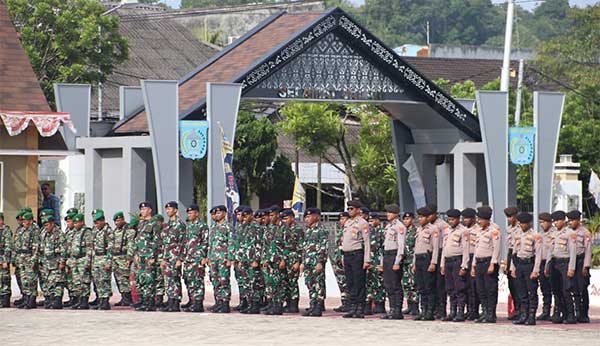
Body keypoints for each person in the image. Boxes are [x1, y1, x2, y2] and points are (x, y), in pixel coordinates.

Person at [510, 212, 542, 325]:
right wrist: (512, 268)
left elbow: (538, 255)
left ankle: (531, 315)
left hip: (530, 265)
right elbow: (514, 251)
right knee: (521, 291)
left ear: (529, 223)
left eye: (524, 223)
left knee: (532, 291)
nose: (522, 225)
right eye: (520, 223)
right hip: (519, 264)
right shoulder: (517, 235)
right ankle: (524, 315)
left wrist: (536, 270)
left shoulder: (535, 235)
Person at [544, 210, 575, 324]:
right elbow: (550, 251)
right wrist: (547, 264)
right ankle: (561, 313)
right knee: (556, 290)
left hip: (565, 263)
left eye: (557, 220)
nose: (555, 223)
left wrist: (571, 268)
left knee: (566, 290)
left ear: (563, 221)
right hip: (555, 263)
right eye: (554, 221)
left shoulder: (569, 233)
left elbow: (573, 252)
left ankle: (571, 315)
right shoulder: (554, 234)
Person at [471, 206, 500, 323]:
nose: (479, 221)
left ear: (487, 219)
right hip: (479, 262)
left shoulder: (494, 230)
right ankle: (485, 312)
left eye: (481, 219)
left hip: (488, 262)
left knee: (490, 289)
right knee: (480, 289)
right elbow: (476, 248)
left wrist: (493, 263)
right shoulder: (479, 231)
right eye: (478, 219)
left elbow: (496, 249)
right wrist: (473, 265)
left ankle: (491, 314)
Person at [341, 200, 371, 319]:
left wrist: (367, 260)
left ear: (358, 210)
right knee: (350, 283)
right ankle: (352, 307)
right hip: (347, 255)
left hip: (357, 255)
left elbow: (367, 242)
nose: (349, 211)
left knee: (359, 282)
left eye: (351, 209)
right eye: (348, 209)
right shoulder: (348, 223)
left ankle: (360, 308)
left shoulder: (363, 223)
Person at [439, 209, 470, 322]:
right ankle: (452, 311)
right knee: (449, 288)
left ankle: (460, 312)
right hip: (448, 261)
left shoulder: (463, 231)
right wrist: (442, 263)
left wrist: (464, 266)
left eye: (453, 219)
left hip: (458, 261)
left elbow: (466, 250)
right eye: (449, 219)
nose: (451, 221)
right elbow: (444, 248)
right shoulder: (447, 231)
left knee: (459, 288)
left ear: (458, 219)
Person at [411, 206, 439, 321]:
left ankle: (430, 312)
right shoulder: (419, 229)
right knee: (421, 287)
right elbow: (416, 248)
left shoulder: (433, 229)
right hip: (418, 259)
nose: (420, 219)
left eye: (422, 217)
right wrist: (413, 263)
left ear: (428, 217)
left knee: (429, 287)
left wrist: (433, 262)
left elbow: (436, 248)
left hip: (427, 258)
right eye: (419, 217)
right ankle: (423, 310)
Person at [379, 204, 406, 320]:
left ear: (395, 214)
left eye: (390, 212)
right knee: (388, 284)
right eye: (387, 212)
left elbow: (401, 245)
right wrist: (381, 261)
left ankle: (397, 310)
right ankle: (392, 309)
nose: (387, 214)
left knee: (395, 284)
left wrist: (397, 261)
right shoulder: (388, 226)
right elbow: (384, 245)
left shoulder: (399, 226)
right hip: (387, 255)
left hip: (394, 255)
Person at [300, 208, 328, 317]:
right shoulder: (308, 230)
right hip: (308, 262)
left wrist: (320, 262)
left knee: (318, 284)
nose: (307, 219)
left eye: (309, 216)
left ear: (316, 217)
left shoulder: (321, 230)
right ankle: (312, 306)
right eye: (306, 217)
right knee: (310, 284)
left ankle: (318, 307)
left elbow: (324, 247)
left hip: (317, 261)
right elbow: (304, 248)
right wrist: (303, 262)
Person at [182, 204, 209, 313]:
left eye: (191, 212)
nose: (189, 215)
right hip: (188, 258)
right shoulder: (188, 226)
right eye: (188, 213)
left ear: (197, 213)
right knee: (188, 279)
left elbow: (205, 242)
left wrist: (203, 256)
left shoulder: (202, 226)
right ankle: (192, 300)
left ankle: (198, 303)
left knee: (197, 280)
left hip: (197, 258)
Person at [134, 202, 160, 311]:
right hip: (141, 255)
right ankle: (144, 300)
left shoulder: (154, 223)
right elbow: (137, 240)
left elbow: (157, 241)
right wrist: (136, 254)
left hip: (149, 255)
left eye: (144, 209)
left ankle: (150, 302)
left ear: (149, 210)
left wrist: (153, 256)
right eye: (141, 210)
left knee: (149, 279)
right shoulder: (141, 224)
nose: (142, 211)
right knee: (142, 278)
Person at [208, 205, 234, 313]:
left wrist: (230, 258)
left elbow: (231, 242)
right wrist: (209, 257)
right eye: (215, 213)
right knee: (215, 280)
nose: (217, 215)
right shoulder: (213, 227)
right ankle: (218, 302)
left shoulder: (228, 227)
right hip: (214, 258)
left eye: (219, 213)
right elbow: (211, 244)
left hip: (223, 258)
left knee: (224, 281)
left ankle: (225, 303)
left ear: (224, 213)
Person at [567, 210, 592, 323]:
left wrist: (586, 266)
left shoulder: (585, 233)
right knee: (574, 288)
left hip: (581, 261)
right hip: (572, 262)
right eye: (569, 220)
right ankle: (576, 311)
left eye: (572, 220)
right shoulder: (567, 232)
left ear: (578, 220)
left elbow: (588, 250)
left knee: (582, 288)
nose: (570, 222)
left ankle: (584, 313)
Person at [160, 202, 186, 312]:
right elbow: (164, 242)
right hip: (167, 256)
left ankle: (175, 302)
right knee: (168, 280)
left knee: (175, 279)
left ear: (175, 210)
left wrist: (180, 259)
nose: (168, 211)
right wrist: (163, 257)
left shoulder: (179, 224)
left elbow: (183, 242)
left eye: (170, 209)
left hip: (175, 256)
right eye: (166, 209)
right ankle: (170, 300)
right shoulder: (167, 225)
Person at [39, 215, 66, 309]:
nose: (46, 227)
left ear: (52, 224)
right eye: (45, 225)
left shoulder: (59, 234)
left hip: (56, 261)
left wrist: (62, 262)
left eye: (47, 225)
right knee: (47, 281)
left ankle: (57, 300)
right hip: (46, 261)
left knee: (57, 281)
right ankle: (49, 299)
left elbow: (63, 250)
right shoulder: (43, 233)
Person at [426, 204, 449, 319]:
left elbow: (445, 242)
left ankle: (442, 310)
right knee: (431, 284)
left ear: (435, 214)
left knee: (440, 285)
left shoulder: (443, 225)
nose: (428, 217)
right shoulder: (427, 226)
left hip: (440, 253)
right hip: (429, 254)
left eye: (430, 214)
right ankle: (433, 308)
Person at [66, 213, 93, 310]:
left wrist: (88, 261)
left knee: (84, 280)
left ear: (82, 222)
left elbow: (90, 248)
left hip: (83, 259)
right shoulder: (75, 232)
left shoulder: (87, 232)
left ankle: (84, 301)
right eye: (75, 223)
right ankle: (78, 300)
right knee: (76, 281)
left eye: (77, 223)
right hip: (74, 259)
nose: (75, 224)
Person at [14, 212, 39, 309]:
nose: (23, 222)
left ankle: (31, 300)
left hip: (29, 257)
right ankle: (26, 299)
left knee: (31, 280)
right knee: (24, 280)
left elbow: (36, 247)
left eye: (25, 220)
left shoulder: (34, 230)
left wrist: (33, 259)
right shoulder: (22, 230)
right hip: (22, 258)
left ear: (30, 221)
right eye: (23, 220)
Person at [281, 208, 303, 313]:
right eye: (283, 219)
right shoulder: (284, 229)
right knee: (285, 282)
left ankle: (294, 304)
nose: (284, 221)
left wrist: (298, 261)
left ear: (292, 218)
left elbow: (301, 246)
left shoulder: (297, 230)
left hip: (294, 259)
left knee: (293, 282)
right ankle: (288, 302)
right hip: (285, 259)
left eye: (286, 218)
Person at [91, 210, 114, 310]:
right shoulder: (95, 230)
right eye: (95, 222)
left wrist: (108, 262)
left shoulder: (108, 231)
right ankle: (100, 299)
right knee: (97, 280)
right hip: (96, 258)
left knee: (104, 280)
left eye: (98, 222)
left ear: (103, 220)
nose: (96, 224)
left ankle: (105, 301)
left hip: (104, 257)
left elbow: (111, 248)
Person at [112, 211, 135, 307]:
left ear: (122, 219)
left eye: (118, 220)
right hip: (115, 257)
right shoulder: (115, 231)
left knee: (124, 279)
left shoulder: (129, 230)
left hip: (124, 257)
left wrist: (129, 259)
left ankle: (128, 298)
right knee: (118, 279)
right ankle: (123, 297)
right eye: (115, 221)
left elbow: (131, 245)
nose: (117, 223)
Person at [502, 206, 521, 320]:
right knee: (511, 285)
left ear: (515, 216)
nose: (508, 219)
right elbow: (507, 246)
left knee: (518, 284)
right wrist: (505, 262)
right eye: (507, 217)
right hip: (510, 255)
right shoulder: (509, 229)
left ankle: (521, 310)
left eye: (510, 216)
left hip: (517, 255)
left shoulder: (520, 228)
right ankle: (516, 310)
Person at [462, 207, 481, 320]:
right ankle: (468, 309)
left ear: (473, 218)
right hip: (465, 258)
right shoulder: (464, 230)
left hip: (474, 257)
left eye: (467, 218)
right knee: (466, 286)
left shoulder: (478, 230)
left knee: (475, 287)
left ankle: (475, 311)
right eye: (464, 218)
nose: (465, 220)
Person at [366, 211, 386, 315]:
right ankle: (369, 304)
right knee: (369, 283)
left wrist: (382, 263)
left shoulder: (382, 232)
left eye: (372, 220)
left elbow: (384, 248)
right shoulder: (367, 232)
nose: (370, 223)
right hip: (369, 260)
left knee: (379, 283)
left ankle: (380, 305)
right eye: (369, 221)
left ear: (378, 221)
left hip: (378, 260)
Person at [537, 212, 555, 321]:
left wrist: (548, 265)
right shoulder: (540, 234)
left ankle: (557, 311)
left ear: (549, 222)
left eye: (543, 222)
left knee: (555, 288)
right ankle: (546, 311)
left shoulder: (554, 233)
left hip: (552, 263)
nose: (541, 224)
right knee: (545, 289)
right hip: (542, 262)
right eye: (540, 222)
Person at [331, 212, 350, 313]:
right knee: (341, 283)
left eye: (344, 219)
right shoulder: (339, 231)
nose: (342, 221)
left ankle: (350, 303)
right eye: (341, 219)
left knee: (348, 282)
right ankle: (344, 302)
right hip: (338, 261)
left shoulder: (350, 230)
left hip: (346, 260)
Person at [401, 212, 418, 316]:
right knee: (406, 283)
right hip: (404, 261)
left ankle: (415, 306)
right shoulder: (403, 231)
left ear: (412, 219)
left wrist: (414, 262)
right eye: (405, 219)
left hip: (412, 261)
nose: (406, 221)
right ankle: (409, 305)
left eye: (408, 219)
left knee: (414, 284)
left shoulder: (415, 231)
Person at [0, 212, 13, 308]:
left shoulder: (6, 230)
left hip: (3, 257)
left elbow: (8, 247)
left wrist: (5, 260)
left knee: (5, 279)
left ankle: (5, 300)